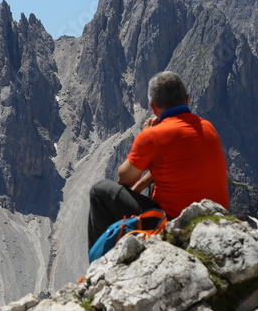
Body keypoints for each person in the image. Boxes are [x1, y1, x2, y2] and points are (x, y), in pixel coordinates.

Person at [87, 71, 229, 249]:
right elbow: (174, 167)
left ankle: (100, 261)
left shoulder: (152, 136)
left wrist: (145, 135)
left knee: (99, 191)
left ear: (152, 107)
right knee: (157, 183)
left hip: (173, 223)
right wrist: (141, 185)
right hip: (216, 218)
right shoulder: (208, 127)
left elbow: (124, 179)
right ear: (187, 99)